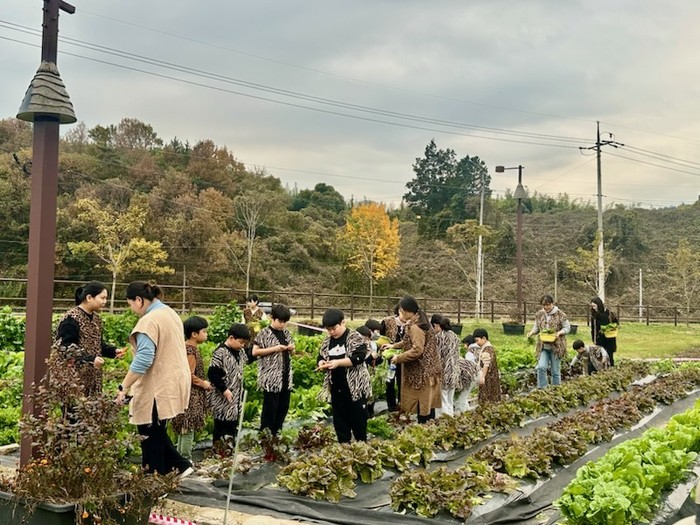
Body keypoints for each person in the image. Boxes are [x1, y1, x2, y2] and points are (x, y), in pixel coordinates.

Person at [115, 281, 192, 476]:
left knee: (149, 433)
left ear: (139, 300)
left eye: (131, 304)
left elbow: (144, 358)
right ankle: (177, 468)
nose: (132, 310)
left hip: (157, 386)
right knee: (155, 431)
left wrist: (124, 386)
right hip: (173, 380)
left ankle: (157, 476)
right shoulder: (170, 313)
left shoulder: (149, 320)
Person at [54, 281, 126, 396]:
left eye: (106, 298)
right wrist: (91, 359)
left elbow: (97, 344)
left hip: (93, 379)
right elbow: (65, 348)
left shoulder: (96, 319)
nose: (105, 302)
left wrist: (113, 351)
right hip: (73, 380)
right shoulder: (71, 319)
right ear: (89, 298)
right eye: (102, 298)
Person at [317, 309, 372, 443]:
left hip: (355, 387)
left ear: (343, 323)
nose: (332, 332)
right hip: (337, 387)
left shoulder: (355, 337)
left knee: (358, 421)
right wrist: (321, 362)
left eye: (334, 328)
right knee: (340, 422)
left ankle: (361, 445)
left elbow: (359, 357)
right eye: (328, 329)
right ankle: (344, 446)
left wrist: (338, 363)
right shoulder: (327, 341)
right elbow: (320, 356)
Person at [388, 297, 442, 423]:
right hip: (430, 370)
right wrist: (394, 346)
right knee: (428, 405)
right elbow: (409, 341)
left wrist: (398, 358)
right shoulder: (420, 321)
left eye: (400, 311)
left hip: (422, 372)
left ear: (405, 311)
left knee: (422, 406)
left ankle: (424, 428)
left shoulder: (415, 327)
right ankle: (430, 428)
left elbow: (417, 350)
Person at [171, 316, 212, 460]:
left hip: (184, 394)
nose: (206, 334)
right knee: (188, 427)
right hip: (190, 395)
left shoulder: (184, 348)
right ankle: (185, 459)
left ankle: (179, 460)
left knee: (184, 428)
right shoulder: (190, 351)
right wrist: (203, 383)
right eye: (204, 331)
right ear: (194, 334)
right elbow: (188, 374)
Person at [252, 304, 294, 435]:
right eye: (280, 321)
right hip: (271, 377)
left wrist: (292, 349)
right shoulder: (264, 333)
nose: (282, 324)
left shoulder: (286, 333)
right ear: (272, 318)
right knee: (270, 408)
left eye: (285, 322)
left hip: (285, 376)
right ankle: (266, 434)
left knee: (283, 407)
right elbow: (255, 352)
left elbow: (293, 353)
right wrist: (274, 349)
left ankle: (277, 432)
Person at [207, 323, 251, 446]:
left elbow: (248, 359)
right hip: (222, 397)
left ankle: (229, 448)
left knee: (232, 424)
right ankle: (218, 449)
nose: (242, 345)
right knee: (221, 424)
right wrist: (224, 389)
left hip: (235, 396)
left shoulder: (240, 351)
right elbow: (213, 374)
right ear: (231, 338)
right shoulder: (220, 352)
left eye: (244, 343)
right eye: (241, 342)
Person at [527, 294, 571, 389]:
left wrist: (560, 333)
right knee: (541, 367)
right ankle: (542, 389)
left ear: (552, 304)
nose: (546, 307)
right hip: (543, 346)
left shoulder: (560, 314)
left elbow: (567, 328)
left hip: (556, 347)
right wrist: (532, 332)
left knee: (555, 371)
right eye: (544, 305)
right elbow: (536, 328)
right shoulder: (539, 315)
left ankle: (555, 390)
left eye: (548, 305)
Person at [431, 314, 460, 417]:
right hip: (454, 371)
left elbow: (437, 357)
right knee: (450, 400)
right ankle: (451, 420)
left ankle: (444, 421)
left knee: (442, 401)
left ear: (436, 325)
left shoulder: (439, 338)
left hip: (443, 372)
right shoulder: (455, 336)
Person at [380, 305, 405, 412]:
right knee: (389, 380)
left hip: (405, 357)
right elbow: (381, 337)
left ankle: (402, 405)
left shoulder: (411, 324)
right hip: (389, 356)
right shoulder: (387, 322)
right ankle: (391, 406)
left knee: (402, 381)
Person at [357, 325, 383, 417]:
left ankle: (370, 413)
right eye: (364, 338)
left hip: (370, 374)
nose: (366, 341)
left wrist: (379, 356)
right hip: (359, 377)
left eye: (367, 338)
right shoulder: (356, 348)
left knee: (372, 394)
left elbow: (377, 362)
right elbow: (359, 363)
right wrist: (370, 357)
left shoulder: (372, 346)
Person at [472, 328, 501, 405]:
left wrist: (482, 377)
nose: (477, 343)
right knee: (492, 398)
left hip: (488, 377)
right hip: (492, 377)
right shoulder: (489, 348)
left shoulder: (487, 350)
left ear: (484, 338)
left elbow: (486, 364)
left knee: (487, 397)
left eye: (477, 340)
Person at [590, 297, 619, 367]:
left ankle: (611, 369)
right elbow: (593, 328)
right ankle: (602, 369)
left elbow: (615, 323)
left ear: (599, 305)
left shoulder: (609, 313)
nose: (594, 308)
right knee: (600, 355)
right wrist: (594, 339)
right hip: (599, 338)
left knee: (609, 355)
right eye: (592, 306)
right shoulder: (594, 315)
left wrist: (608, 327)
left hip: (609, 337)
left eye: (594, 306)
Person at [454, 335, 479, 413]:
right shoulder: (479, 349)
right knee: (464, 397)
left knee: (462, 398)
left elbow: (469, 367)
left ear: (468, 343)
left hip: (471, 375)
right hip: (478, 375)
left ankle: (462, 414)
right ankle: (468, 413)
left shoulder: (469, 353)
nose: (464, 346)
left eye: (464, 344)